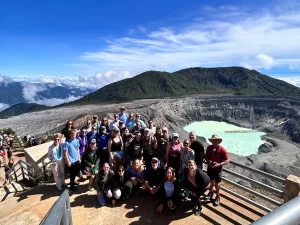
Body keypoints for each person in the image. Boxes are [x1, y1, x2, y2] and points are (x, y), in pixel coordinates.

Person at [205, 135, 230, 206]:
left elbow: (227, 160)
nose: (214, 141)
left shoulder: (222, 150)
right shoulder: (209, 148)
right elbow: (206, 156)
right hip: (210, 168)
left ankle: (218, 196)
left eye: (216, 140)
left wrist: (219, 164)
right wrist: (208, 162)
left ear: (218, 141)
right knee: (211, 181)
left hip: (218, 169)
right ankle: (211, 192)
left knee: (217, 183)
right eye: (213, 140)